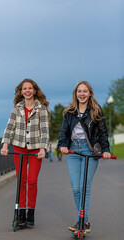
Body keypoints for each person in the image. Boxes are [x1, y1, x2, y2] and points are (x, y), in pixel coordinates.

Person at [58, 81, 111, 234]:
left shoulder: (96, 110)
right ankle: (84, 221)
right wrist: (62, 145)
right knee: (75, 189)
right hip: (74, 149)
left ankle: (82, 221)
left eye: (85, 91)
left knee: (84, 187)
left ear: (90, 93)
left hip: (90, 150)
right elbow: (64, 131)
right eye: (79, 91)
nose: (82, 94)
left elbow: (102, 133)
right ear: (75, 94)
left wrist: (105, 150)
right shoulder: (69, 111)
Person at [0, 78, 49, 228]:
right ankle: (20, 214)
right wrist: (5, 145)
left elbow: (45, 130)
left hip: (35, 149)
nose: (27, 91)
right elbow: (9, 128)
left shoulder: (42, 109)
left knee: (32, 181)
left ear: (34, 90)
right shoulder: (17, 108)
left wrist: (42, 149)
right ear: (21, 92)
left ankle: (30, 213)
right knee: (21, 180)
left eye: (30, 88)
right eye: (24, 89)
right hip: (19, 147)